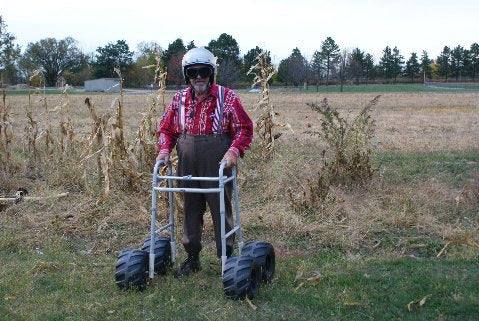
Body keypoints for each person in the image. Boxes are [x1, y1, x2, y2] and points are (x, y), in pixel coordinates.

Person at [156, 47, 253, 278]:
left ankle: (226, 259)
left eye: (204, 72)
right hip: (187, 161)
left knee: (220, 207)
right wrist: (164, 150)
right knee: (190, 208)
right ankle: (192, 258)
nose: (198, 77)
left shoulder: (227, 97)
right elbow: (166, 129)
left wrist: (233, 151)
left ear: (212, 73)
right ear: (186, 75)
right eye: (193, 72)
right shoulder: (178, 99)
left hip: (218, 160)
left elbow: (244, 129)